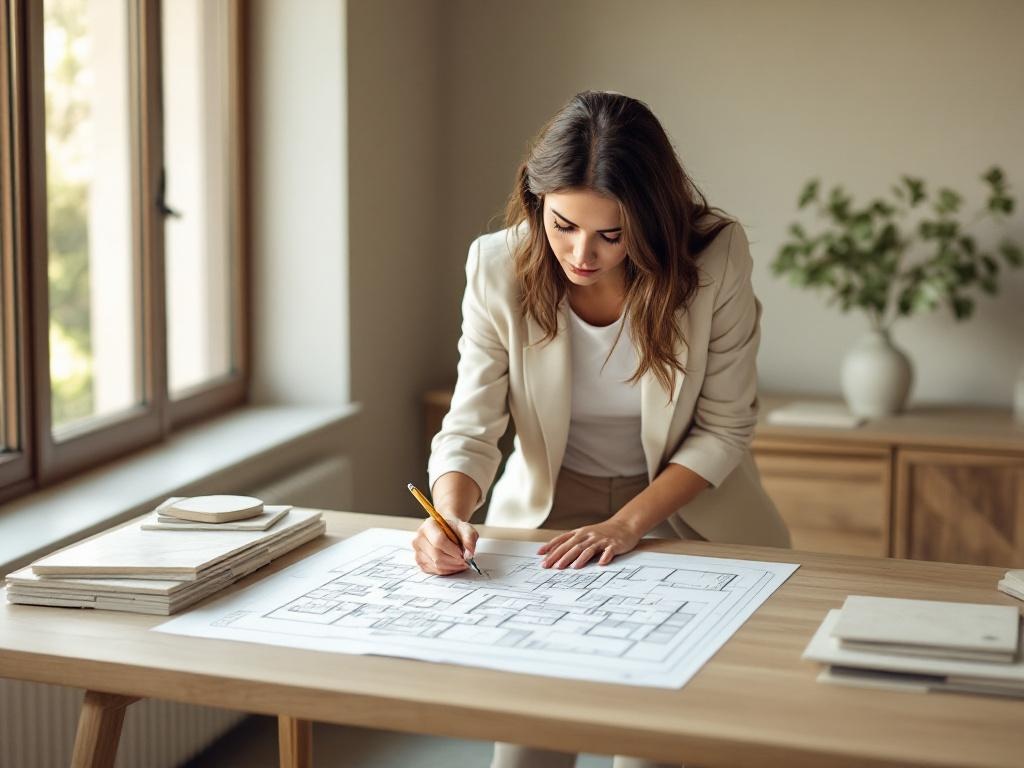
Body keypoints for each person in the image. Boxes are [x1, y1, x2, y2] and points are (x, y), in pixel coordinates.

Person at [415, 91, 790, 768]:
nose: (581, 253)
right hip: (552, 508)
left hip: (681, 510)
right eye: (562, 226)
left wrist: (626, 524)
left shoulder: (714, 256)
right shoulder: (497, 265)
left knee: (647, 743)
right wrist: (448, 515)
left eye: (610, 235)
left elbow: (725, 429)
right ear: (537, 204)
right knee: (527, 744)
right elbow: (473, 422)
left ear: (650, 220)